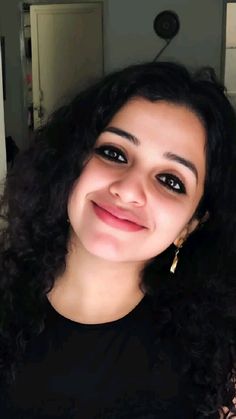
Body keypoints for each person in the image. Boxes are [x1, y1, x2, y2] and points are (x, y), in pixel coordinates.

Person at [0, 61, 236, 419]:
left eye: (171, 181)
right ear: (73, 162)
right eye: (114, 153)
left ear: (191, 224)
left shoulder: (219, 356)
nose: (127, 191)